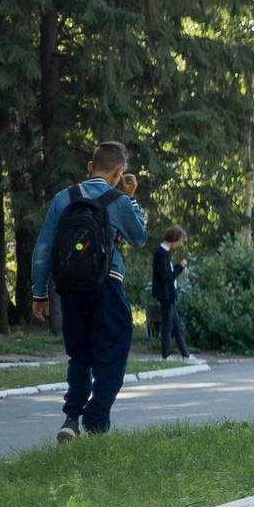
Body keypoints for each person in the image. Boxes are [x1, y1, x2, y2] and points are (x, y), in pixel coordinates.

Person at [32, 140, 152, 440]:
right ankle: (96, 420)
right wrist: (130, 198)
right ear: (120, 171)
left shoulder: (64, 197)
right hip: (106, 286)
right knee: (113, 353)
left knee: (80, 355)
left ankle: (71, 419)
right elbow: (139, 237)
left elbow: (43, 248)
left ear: (90, 167)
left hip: (70, 290)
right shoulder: (118, 199)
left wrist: (39, 294)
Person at [149, 225, 190, 359]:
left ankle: (185, 354)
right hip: (165, 294)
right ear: (175, 239)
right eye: (180, 241)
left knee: (176, 325)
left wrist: (178, 267)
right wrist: (180, 267)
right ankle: (165, 355)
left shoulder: (164, 252)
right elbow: (166, 275)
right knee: (168, 325)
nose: (179, 244)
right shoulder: (161, 253)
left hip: (169, 294)